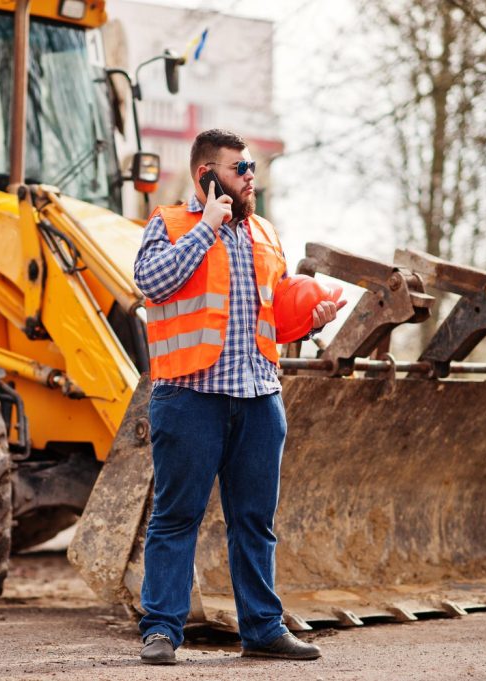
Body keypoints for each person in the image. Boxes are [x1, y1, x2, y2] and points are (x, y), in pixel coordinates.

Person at [132, 129, 344, 665]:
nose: (251, 175)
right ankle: (161, 631)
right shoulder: (171, 224)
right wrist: (207, 227)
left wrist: (310, 322)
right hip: (189, 396)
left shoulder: (266, 233)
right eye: (239, 167)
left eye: (251, 166)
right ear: (206, 174)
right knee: (176, 517)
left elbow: (272, 312)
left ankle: (263, 629)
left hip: (258, 395)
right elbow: (151, 283)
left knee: (254, 520)